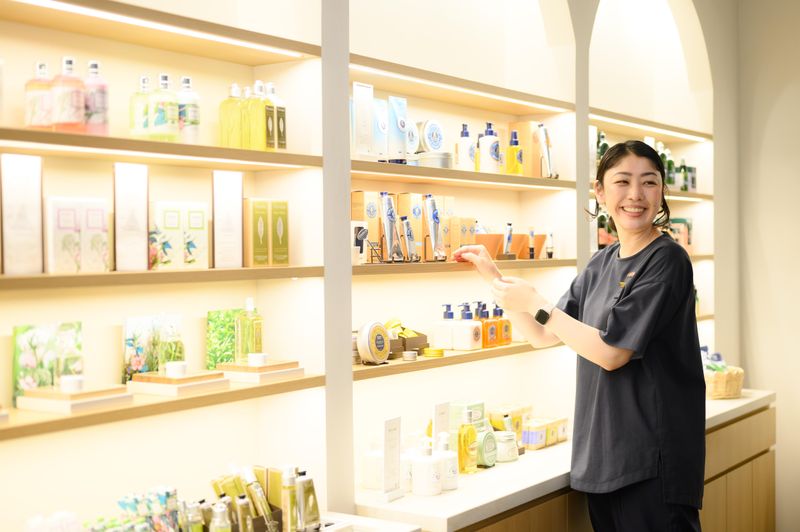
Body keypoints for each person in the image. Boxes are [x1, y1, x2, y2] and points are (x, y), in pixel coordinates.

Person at [454, 140, 705, 531]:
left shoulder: (667, 260)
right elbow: (542, 334)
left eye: (649, 182)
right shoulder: (601, 263)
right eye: (622, 181)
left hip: (651, 462)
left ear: (661, 192)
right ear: (600, 192)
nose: (636, 194)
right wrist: (497, 281)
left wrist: (537, 301)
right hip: (602, 460)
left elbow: (612, 353)